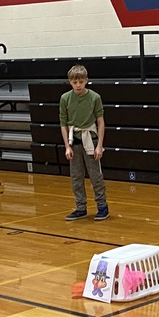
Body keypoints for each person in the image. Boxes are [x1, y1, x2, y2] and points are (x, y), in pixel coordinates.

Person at [59, 64, 109, 221]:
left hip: (90, 140)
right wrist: (67, 146)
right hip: (74, 141)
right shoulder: (65, 98)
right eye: (75, 82)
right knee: (76, 177)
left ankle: (102, 206)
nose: (78, 85)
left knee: (96, 176)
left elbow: (100, 122)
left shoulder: (95, 97)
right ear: (70, 82)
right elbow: (63, 124)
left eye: (81, 82)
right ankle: (80, 207)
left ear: (86, 80)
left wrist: (99, 145)